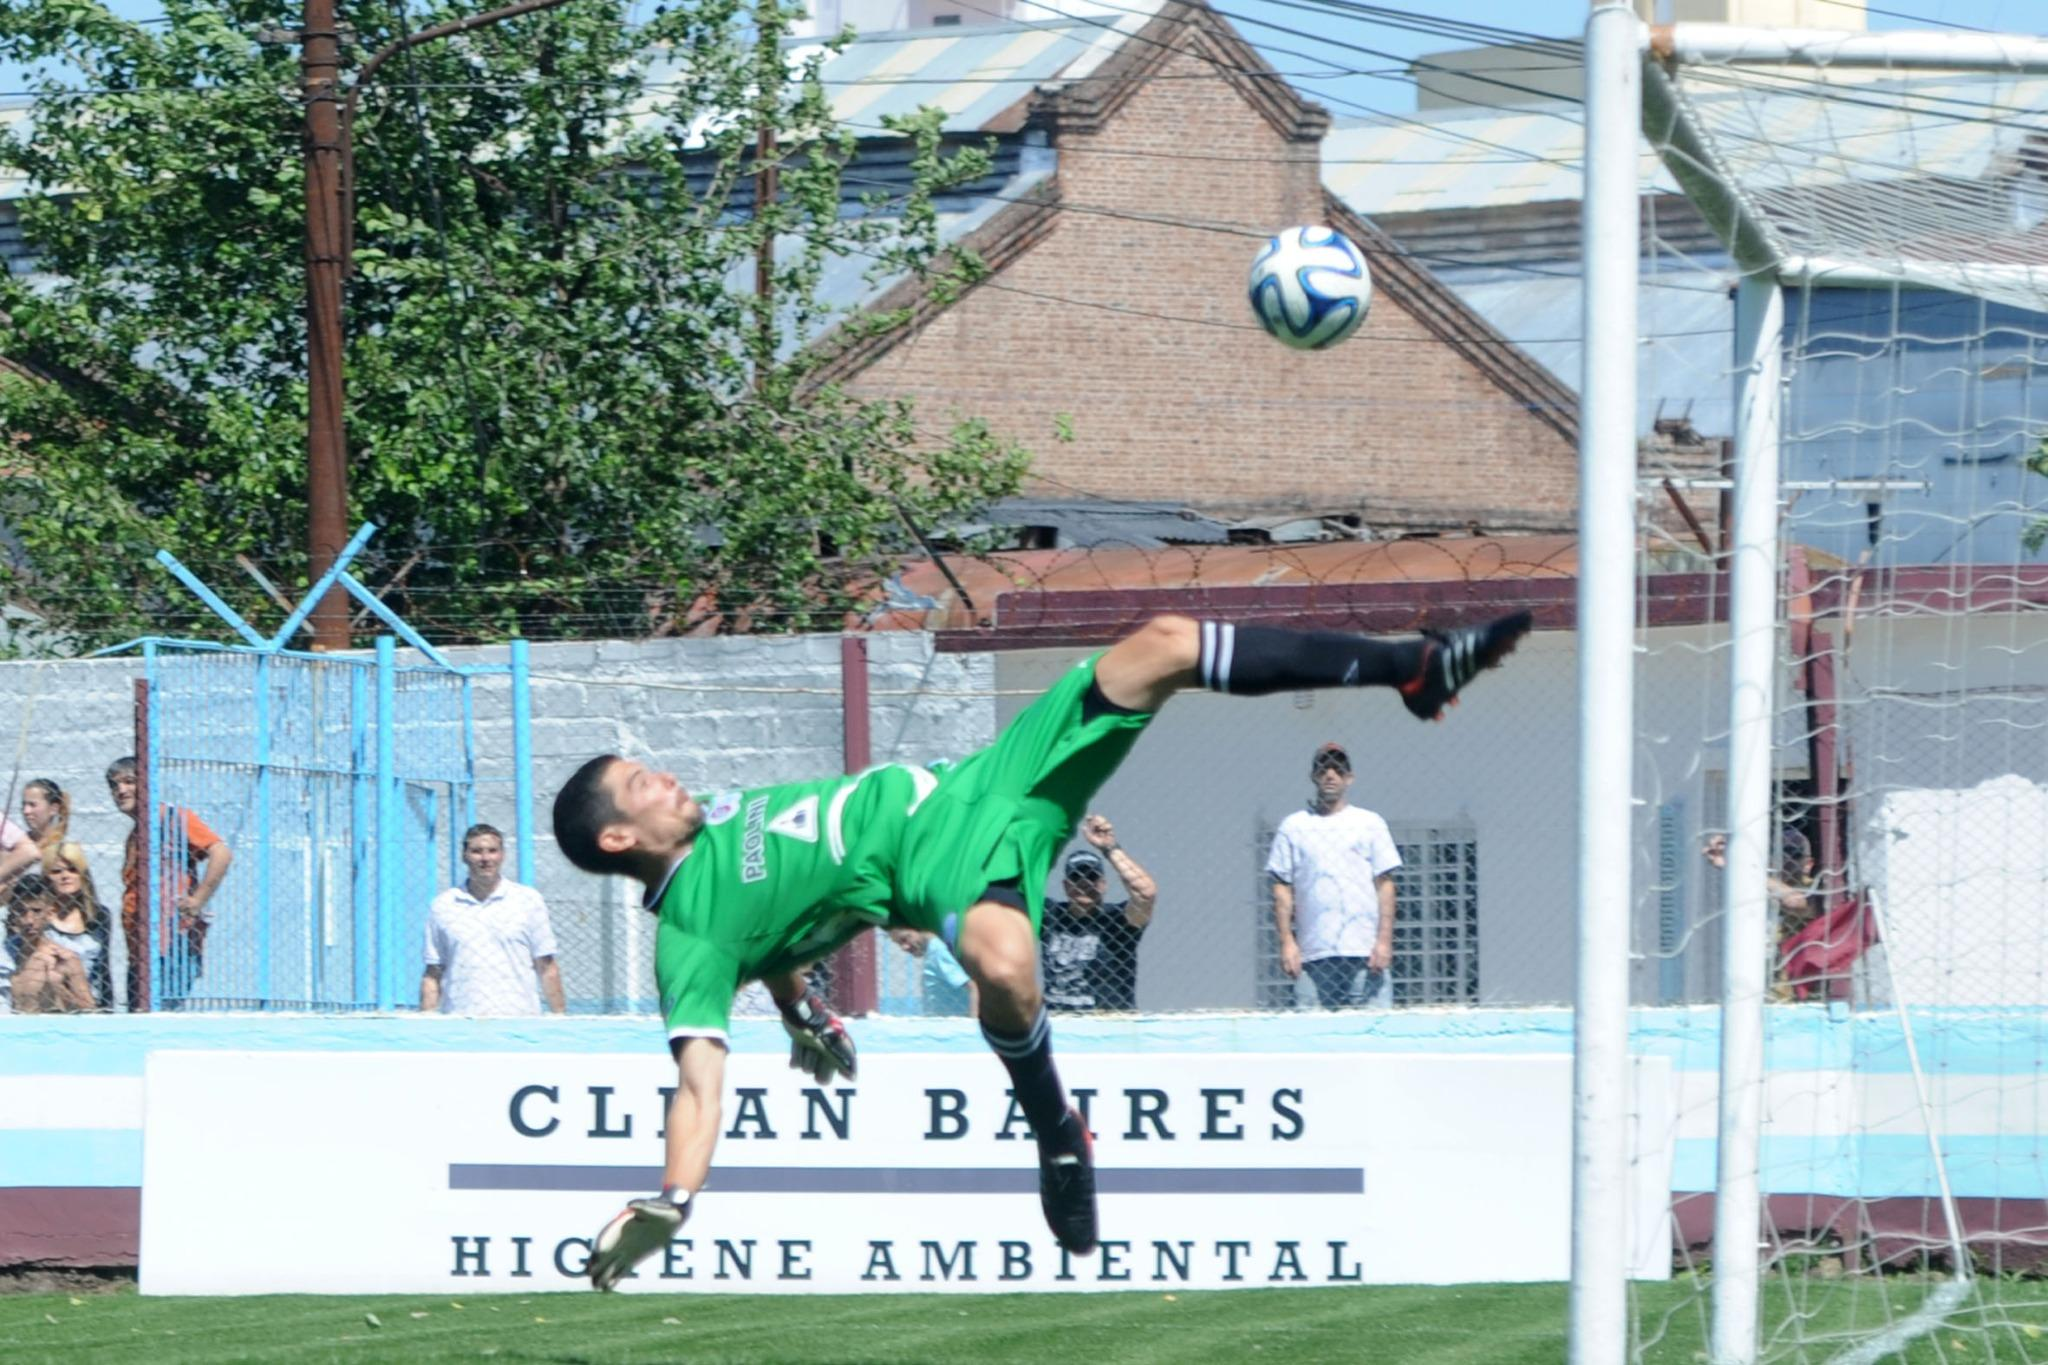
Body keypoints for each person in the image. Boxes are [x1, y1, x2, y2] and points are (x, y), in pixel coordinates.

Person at [550, 608, 1531, 1290]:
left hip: (990, 780)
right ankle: (1055, 1126)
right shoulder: (688, 939)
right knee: (1007, 967)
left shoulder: (714, 827)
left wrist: (798, 1006)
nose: (662, 777)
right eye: (640, 785)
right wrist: (672, 1199)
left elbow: (777, 920)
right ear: (619, 839)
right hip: (941, 866)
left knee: (1161, 644)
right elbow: (698, 1081)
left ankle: (1412, 667)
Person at [1268, 742, 1403, 1010]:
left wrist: (1384, 941)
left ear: (1349, 778)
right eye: (1323, 769)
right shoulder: (1294, 827)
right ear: (1314, 776)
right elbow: (1282, 888)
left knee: (1373, 1030)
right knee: (1312, 1031)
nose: (1331, 775)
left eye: (1338, 769)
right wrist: (1288, 943)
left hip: (1365, 954)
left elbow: (1385, 885)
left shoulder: (1370, 823)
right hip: (1313, 957)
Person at [109, 756, 232, 1010]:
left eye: (129, 782)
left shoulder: (173, 819)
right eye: (114, 785)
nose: (121, 790)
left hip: (172, 942)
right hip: (141, 950)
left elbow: (221, 852)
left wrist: (198, 900)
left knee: (160, 1012)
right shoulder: (136, 833)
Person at [421, 824, 566, 1016]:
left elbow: (546, 966)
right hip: (460, 1020)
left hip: (519, 1019)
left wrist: (559, 1017)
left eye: (492, 851)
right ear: (464, 856)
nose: (485, 858)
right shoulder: (443, 906)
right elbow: (433, 972)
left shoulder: (528, 901)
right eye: (476, 851)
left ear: (502, 855)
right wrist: (426, 1020)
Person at [1041, 815, 1156, 1013]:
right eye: (1076, 877)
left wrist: (1110, 848)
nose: (1084, 883)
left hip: (1109, 1021)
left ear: (1103, 884)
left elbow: (1146, 893)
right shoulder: (1050, 915)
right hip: (1058, 1022)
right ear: (1066, 886)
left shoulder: (1118, 920)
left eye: (1092, 876)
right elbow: (1013, 892)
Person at [37, 841, 112, 1010]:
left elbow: (104, 969)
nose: (65, 876)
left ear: (82, 875)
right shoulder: (38, 916)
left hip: (90, 1001)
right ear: (46, 878)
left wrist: (109, 1009)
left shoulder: (99, 916)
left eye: (72, 870)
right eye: (56, 871)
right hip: (51, 1002)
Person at [6, 873, 94, 1014]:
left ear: (50, 913)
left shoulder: (64, 959)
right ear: (13, 914)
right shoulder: (5, 957)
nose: (29, 920)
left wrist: (60, 989)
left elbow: (90, 1010)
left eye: (37, 911)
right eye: (21, 911)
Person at [0, 778, 72, 898]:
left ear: (53, 809)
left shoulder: (63, 848)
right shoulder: (15, 847)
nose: (26, 811)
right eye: (24, 805)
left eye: (32, 805)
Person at [888, 926, 974, 1016]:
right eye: (899, 943)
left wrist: (972, 1021)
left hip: (954, 1018)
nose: (904, 947)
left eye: (905, 939)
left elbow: (971, 987)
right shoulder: (931, 952)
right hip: (942, 1017)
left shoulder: (937, 952)